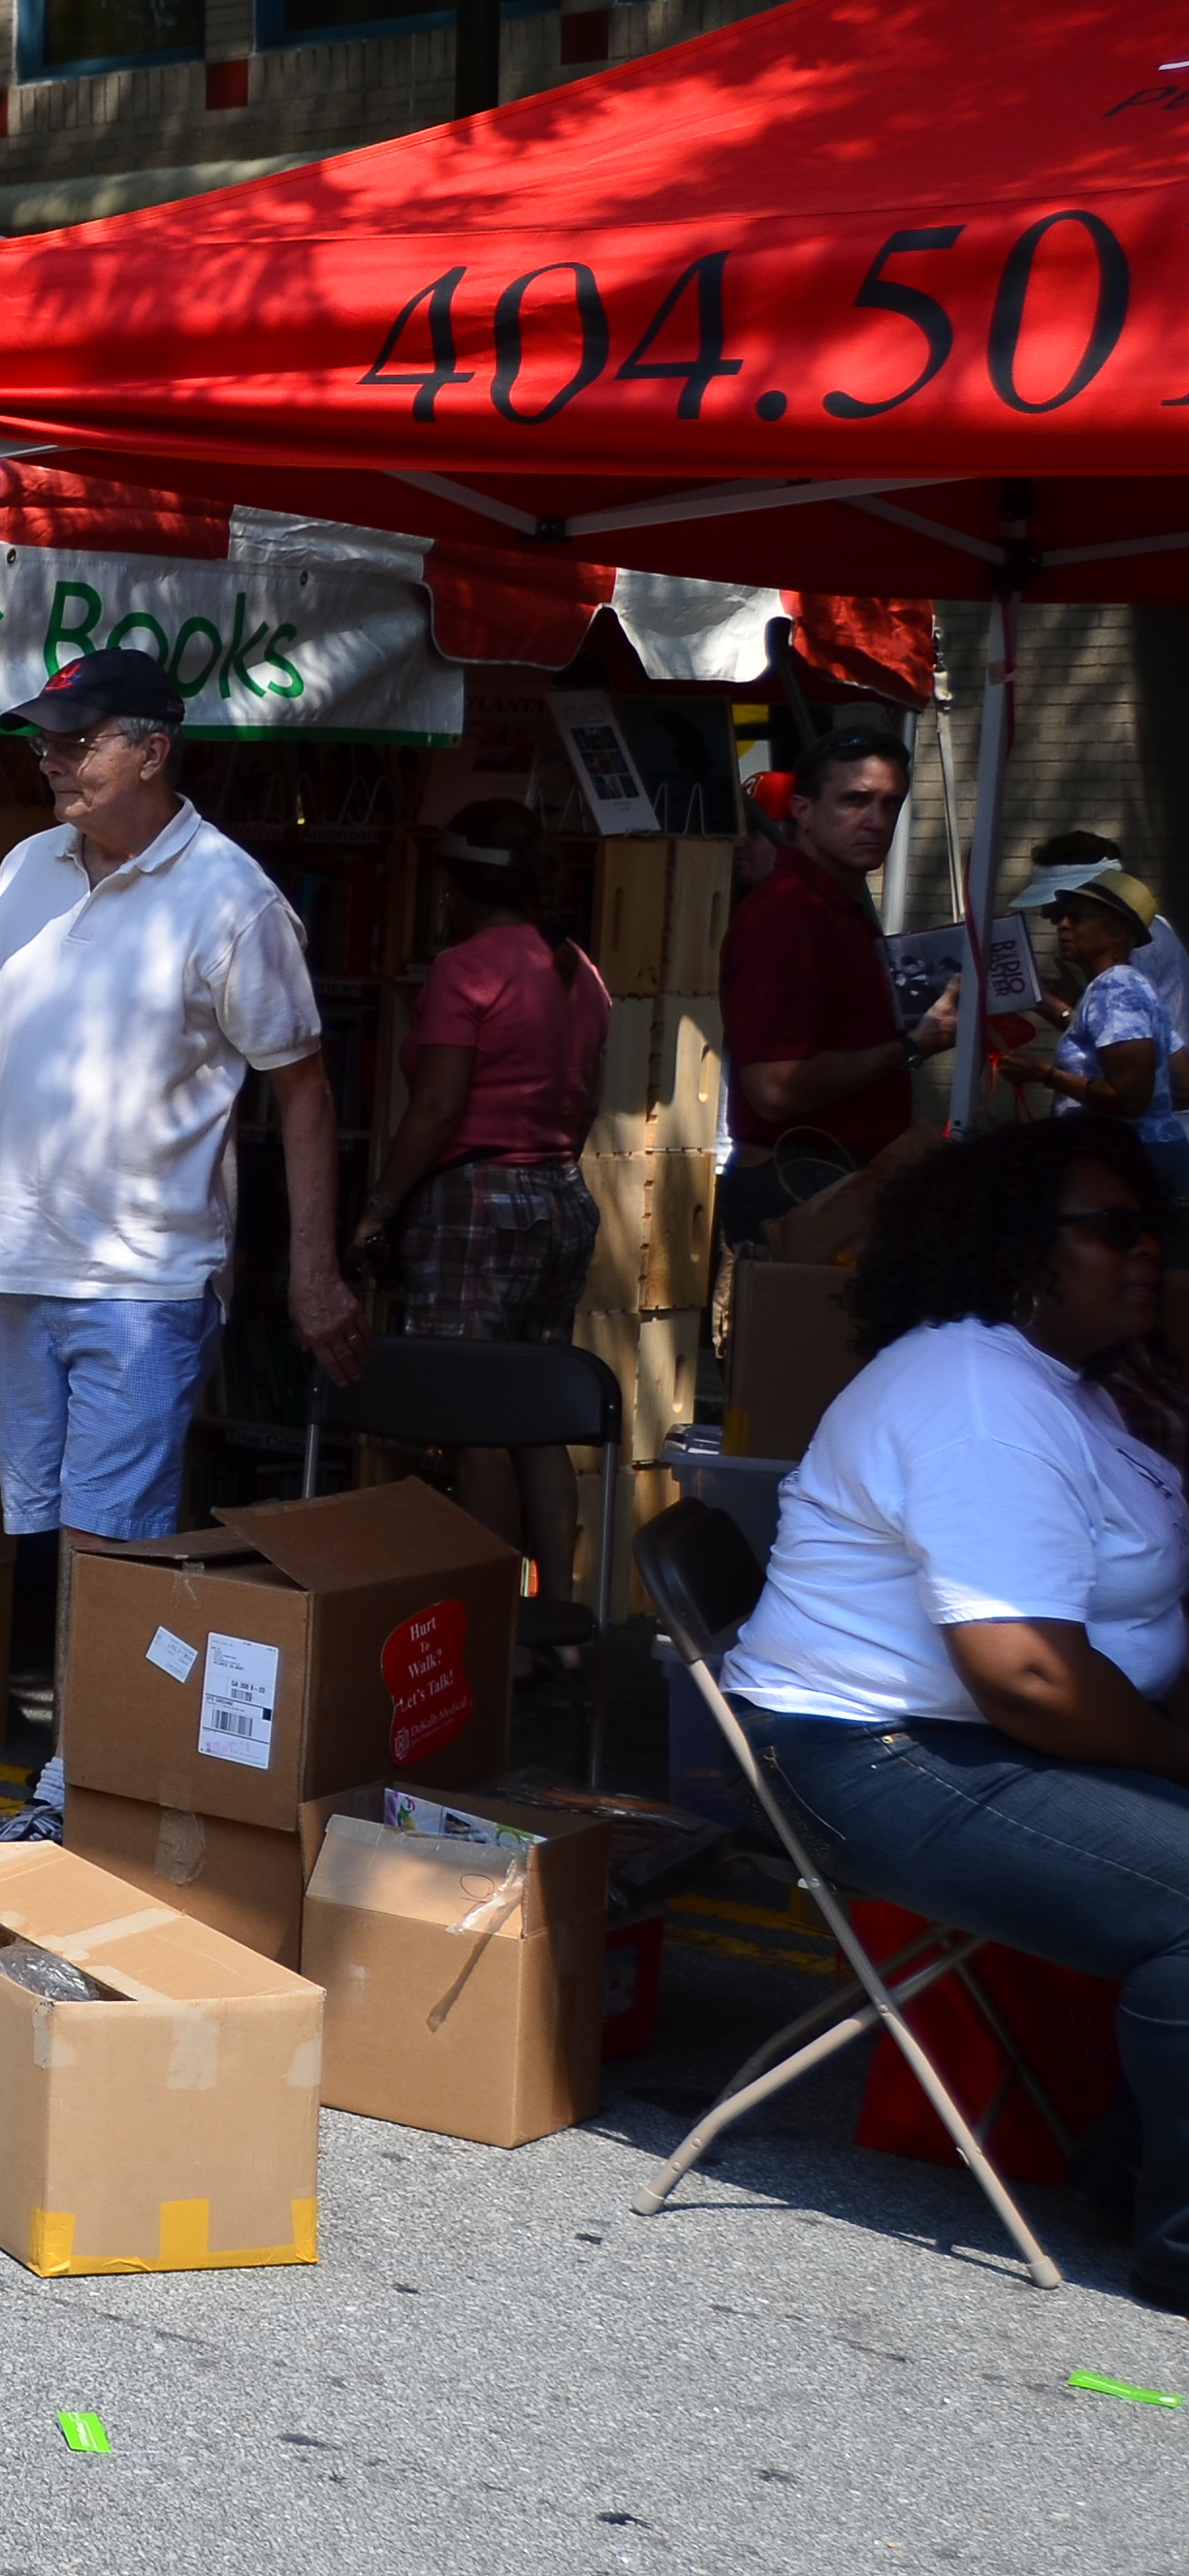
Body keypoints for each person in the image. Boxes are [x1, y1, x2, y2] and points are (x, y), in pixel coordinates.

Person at [717, 1114, 1189, 2315]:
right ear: (1022, 1247)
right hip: (874, 1760)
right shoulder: (978, 1395)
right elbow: (1023, 1672)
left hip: (956, 1742)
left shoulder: (1057, 1383)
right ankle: (1171, 2237)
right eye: (1114, 1230)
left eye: (1154, 1230)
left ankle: (1115, 2162)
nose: (1147, 1253)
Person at [0, 647, 365, 1836]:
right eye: (43, 740)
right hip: (17, 1264)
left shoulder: (230, 900)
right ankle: (119, 1769)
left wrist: (311, 1269)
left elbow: (302, 1094)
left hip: (141, 1281)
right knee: (59, 1536)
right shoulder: (21, 866)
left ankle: (81, 1791)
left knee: (113, 1549)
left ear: (151, 750)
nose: (50, 759)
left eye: (76, 740)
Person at [347, 800, 610, 1587]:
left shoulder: (468, 968)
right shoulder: (580, 971)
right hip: (561, 1193)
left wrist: (378, 1208)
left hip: (477, 1202)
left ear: (453, 887)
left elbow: (436, 1107)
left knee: (472, 1420)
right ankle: (558, 1615)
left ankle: (495, 1619)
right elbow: (588, 1100)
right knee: (537, 1415)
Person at [720, 722, 948, 1244]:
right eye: (854, 800)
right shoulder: (790, 914)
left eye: (890, 804)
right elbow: (775, 1088)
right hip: (802, 1182)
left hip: (834, 1176)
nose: (875, 820)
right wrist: (913, 1044)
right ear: (803, 811)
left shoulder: (833, 906)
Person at [1008, 859, 1189, 1193]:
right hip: (1138, 1157)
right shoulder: (1129, 986)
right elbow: (1182, 1080)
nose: (1062, 925)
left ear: (1118, 931)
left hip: (1126, 1164)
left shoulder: (1116, 989)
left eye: (1076, 917)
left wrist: (1045, 1074)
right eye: (1062, 916)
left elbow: (1130, 1099)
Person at [1034, 829, 1189, 1028]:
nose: (1046, 915)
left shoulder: (1141, 945)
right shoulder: (1141, 936)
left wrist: (1061, 1011)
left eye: (1073, 913)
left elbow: (1129, 1045)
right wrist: (1079, 1001)